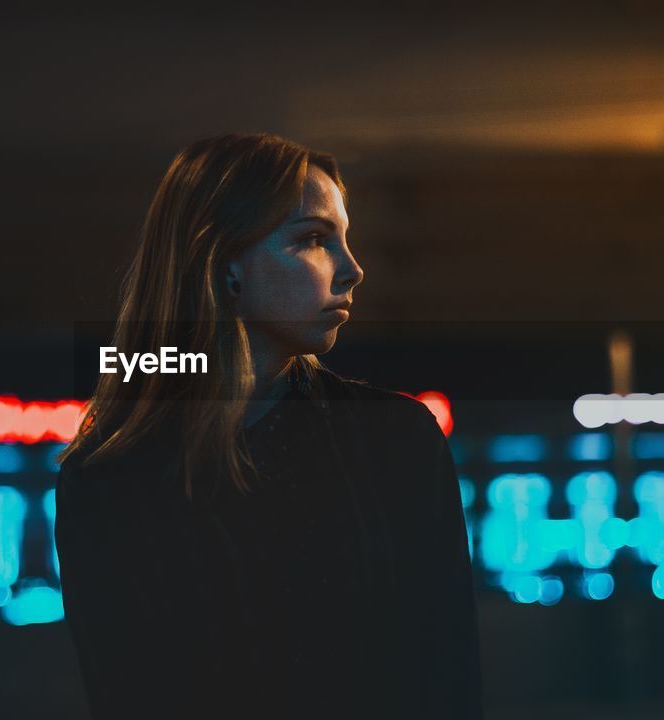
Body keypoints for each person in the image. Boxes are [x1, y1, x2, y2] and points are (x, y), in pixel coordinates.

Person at [54, 133, 483, 719]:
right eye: (312, 239)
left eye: (344, 238)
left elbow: (449, 678)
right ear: (225, 265)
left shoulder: (397, 440)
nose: (353, 270)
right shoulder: (107, 474)